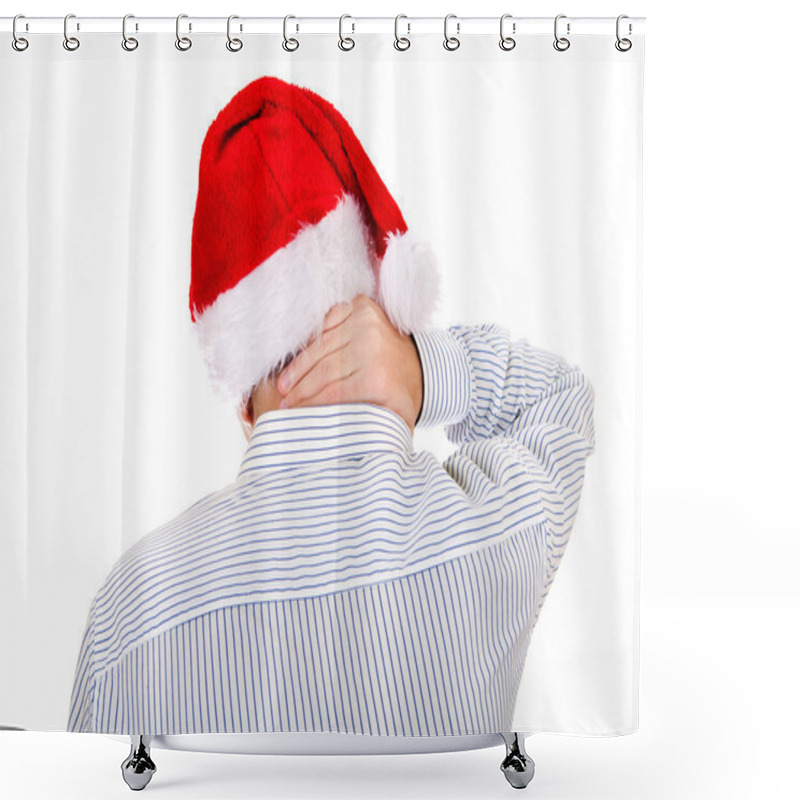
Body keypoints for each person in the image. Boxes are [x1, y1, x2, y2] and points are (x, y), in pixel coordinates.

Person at [67, 77, 595, 736]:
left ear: (244, 406)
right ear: (386, 324)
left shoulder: (132, 608)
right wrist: (425, 373)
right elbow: (562, 397)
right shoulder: (494, 531)